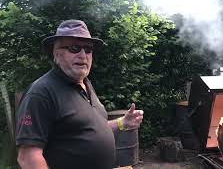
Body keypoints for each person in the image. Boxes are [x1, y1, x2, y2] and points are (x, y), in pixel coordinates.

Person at [15, 20, 144, 169]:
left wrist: (122, 123)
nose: (83, 55)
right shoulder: (41, 92)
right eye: (75, 48)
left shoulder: (86, 84)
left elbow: (89, 129)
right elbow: (28, 157)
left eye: (88, 49)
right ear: (56, 54)